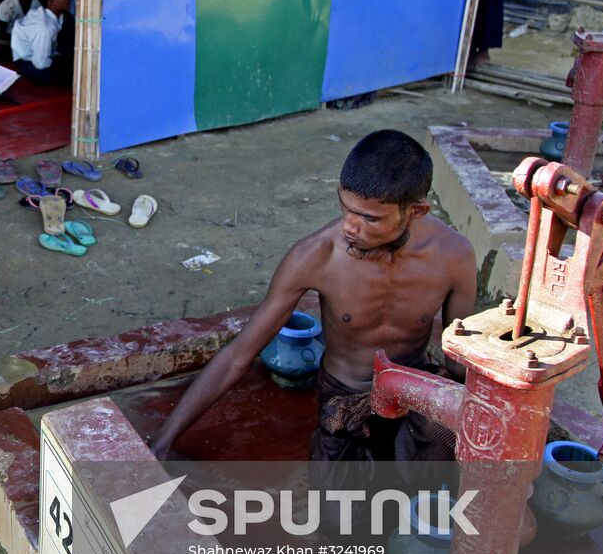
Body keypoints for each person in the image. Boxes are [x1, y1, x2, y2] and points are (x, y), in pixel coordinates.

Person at [150, 130, 476, 469]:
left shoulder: (454, 256)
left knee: (430, 491)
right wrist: (163, 441)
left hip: (414, 396)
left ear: (416, 211)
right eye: (345, 208)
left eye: (369, 218)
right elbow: (238, 355)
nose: (350, 227)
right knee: (339, 517)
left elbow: (461, 361)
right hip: (346, 400)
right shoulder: (315, 256)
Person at [11, 0, 72, 86]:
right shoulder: (44, 28)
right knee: (70, 76)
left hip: (45, 54)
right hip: (28, 62)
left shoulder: (61, 16)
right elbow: (40, 63)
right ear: (50, 2)